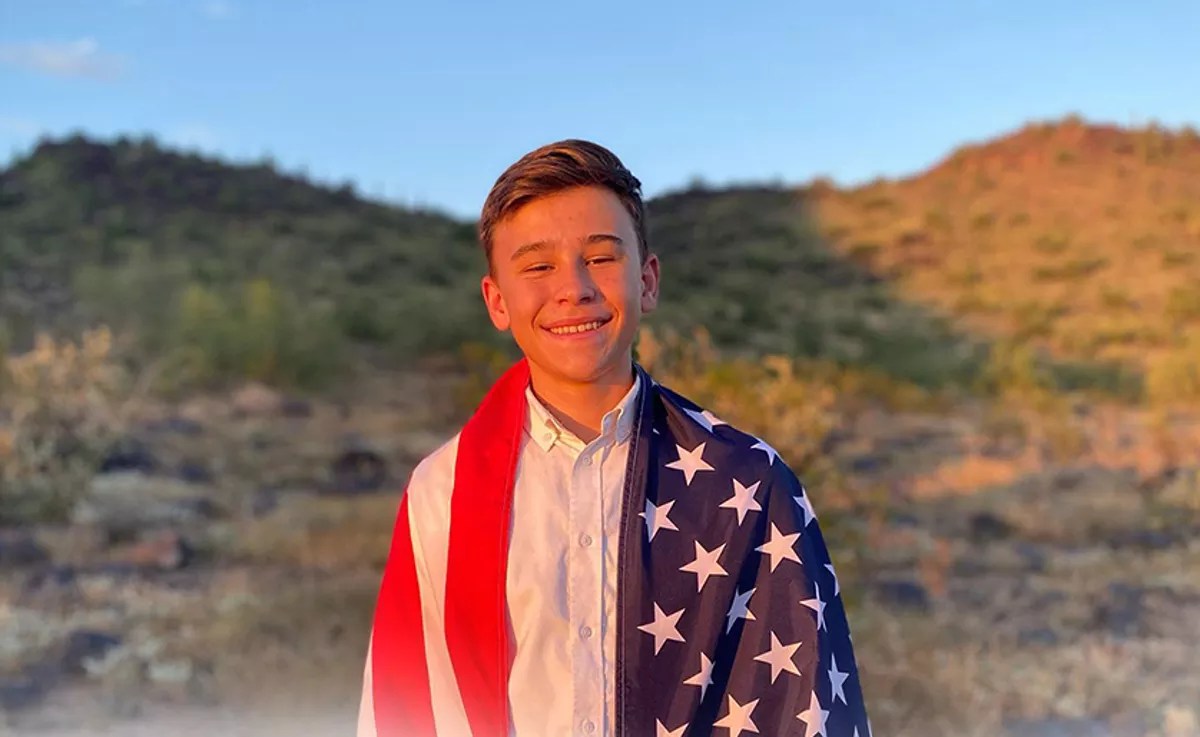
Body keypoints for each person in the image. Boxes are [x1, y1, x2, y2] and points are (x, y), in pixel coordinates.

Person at [358, 140, 872, 737]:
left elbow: (802, 706)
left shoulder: (749, 484)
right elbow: (407, 705)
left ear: (647, 281)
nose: (573, 288)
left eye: (600, 258)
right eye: (537, 266)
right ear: (497, 301)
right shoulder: (441, 493)